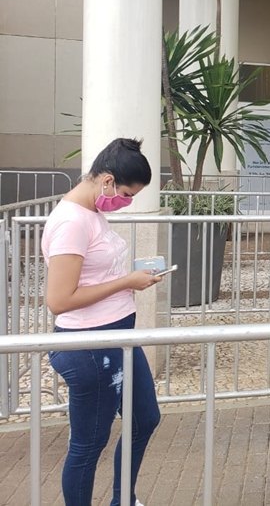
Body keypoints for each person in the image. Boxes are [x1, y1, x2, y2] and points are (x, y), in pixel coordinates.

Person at [41, 138, 162, 506]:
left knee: (144, 419)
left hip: (116, 338)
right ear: (107, 180)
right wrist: (126, 282)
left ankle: (123, 499)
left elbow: (93, 274)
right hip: (90, 346)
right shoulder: (71, 222)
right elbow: (59, 300)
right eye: (126, 194)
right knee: (89, 444)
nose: (126, 202)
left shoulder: (91, 212)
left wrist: (131, 277)